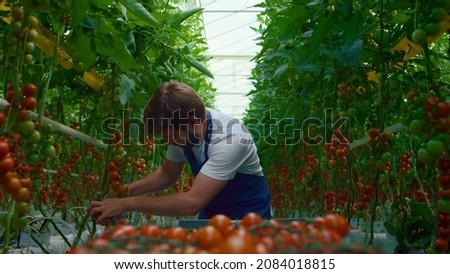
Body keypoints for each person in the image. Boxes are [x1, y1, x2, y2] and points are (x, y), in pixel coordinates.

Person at [88, 80, 272, 223]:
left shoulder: (230, 138)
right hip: (212, 213)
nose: (168, 142)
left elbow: (192, 202)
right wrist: (125, 191)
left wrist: (127, 204)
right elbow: (167, 174)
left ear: (193, 122)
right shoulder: (182, 128)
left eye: (169, 136)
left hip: (249, 216)